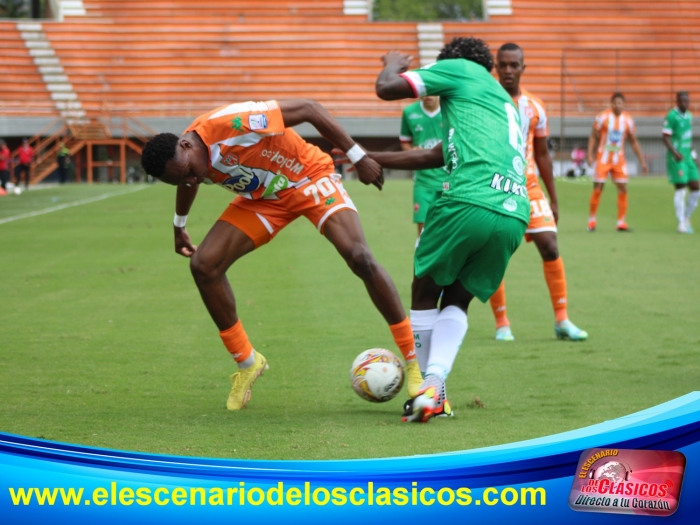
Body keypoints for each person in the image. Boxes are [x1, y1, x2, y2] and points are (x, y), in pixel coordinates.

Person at [139, 99, 419, 411]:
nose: (192, 181)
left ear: (186, 145)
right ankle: (247, 362)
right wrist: (179, 224)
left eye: (189, 172)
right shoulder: (186, 159)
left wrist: (358, 155)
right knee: (204, 265)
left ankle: (413, 360)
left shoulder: (234, 124)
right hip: (265, 199)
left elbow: (310, 110)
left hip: (308, 177)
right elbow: (186, 177)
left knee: (359, 256)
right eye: (182, 180)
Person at [371, 37, 530, 422]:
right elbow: (435, 155)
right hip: (513, 211)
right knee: (457, 298)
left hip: (468, 200)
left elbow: (386, 89)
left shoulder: (458, 69)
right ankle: (436, 389)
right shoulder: (498, 98)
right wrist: (369, 158)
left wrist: (392, 63)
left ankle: (425, 389)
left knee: (425, 289)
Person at [486, 43, 587, 342]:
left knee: (550, 246)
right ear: (495, 67)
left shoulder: (535, 106)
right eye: (503, 65)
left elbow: (542, 153)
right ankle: (502, 323)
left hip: (529, 185)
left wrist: (553, 197)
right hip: (494, 185)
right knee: (495, 253)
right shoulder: (485, 100)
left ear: (523, 68)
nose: (508, 70)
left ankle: (562, 320)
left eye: (514, 65)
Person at [587, 93, 648, 232]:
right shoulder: (602, 117)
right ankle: (592, 220)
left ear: (624, 104)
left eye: (620, 103)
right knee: (598, 187)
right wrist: (589, 154)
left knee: (623, 188)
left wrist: (642, 161)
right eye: (615, 103)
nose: (618, 105)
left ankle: (621, 222)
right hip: (603, 157)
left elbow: (633, 141)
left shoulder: (628, 120)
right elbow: (593, 136)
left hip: (618, 159)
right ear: (611, 103)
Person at [399, 96, 445, 235]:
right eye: (425, 92)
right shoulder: (409, 112)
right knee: (423, 234)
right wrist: (411, 151)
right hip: (423, 182)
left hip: (449, 181)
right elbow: (405, 141)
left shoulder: (450, 109)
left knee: (448, 232)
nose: (428, 96)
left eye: (432, 92)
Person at [662, 91, 699, 233]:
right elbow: (665, 137)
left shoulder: (689, 116)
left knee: (696, 189)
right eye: (682, 101)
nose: (684, 103)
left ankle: (686, 217)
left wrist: (694, 156)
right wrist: (675, 152)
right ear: (677, 101)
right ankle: (681, 224)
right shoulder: (672, 116)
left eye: (686, 101)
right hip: (676, 158)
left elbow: (687, 139)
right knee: (681, 189)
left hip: (688, 157)